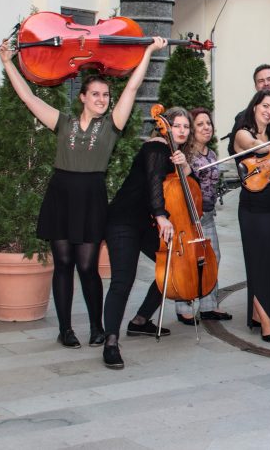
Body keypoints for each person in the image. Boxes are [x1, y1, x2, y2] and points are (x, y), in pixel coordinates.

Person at [0, 36, 163, 351]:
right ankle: (65, 329)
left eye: (106, 95)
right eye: (96, 94)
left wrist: (148, 52)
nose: (103, 99)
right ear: (83, 97)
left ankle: (98, 327)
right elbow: (29, 99)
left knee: (87, 266)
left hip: (91, 197)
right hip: (61, 194)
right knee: (63, 263)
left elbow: (131, 88)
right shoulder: (63, 123)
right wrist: (8, 63)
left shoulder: (113, 125)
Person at [101, 106, 191, 370]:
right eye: (178, 126)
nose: (182, 131)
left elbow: (187, 184)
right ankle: (111, 343)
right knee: (122, 280)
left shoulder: (173, 153)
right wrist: (162, 216)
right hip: (124, 220)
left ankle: (140, 321)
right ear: (165, 127)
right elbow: (154, 182)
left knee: (172, 265)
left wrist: (184, 165)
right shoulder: (156, 147)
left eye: (186, 127)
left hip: (145, 221)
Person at [234, 91, 270, 344]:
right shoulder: (242, 131)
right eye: (265, 106)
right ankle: (265, 321)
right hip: (253, 209)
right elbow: (249, 145)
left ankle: (265, 313)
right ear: (255, 106)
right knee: (257, 264)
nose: (269, 111)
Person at [175, 107, 232, 325]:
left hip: (207, 213)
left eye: (208, 123)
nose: (206, 127)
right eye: (200, 124)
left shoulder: (211, 154)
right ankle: (183, 306)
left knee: (213, 258)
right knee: (188, 261)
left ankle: (209, 305)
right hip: (188, 216)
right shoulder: (185, 154)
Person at [224, 63, 270, 151]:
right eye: (261, 81)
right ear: (255, 86)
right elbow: (247, 144)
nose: (266, 83)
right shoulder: (242, 118)